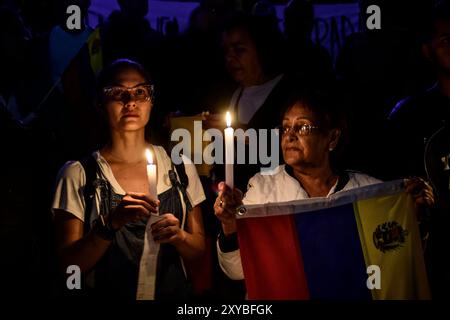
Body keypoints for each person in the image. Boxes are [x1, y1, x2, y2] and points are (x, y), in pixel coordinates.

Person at [213, 86, 435, 281]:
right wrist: (230, 224)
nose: (289, 136)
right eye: (286, 128)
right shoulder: (263, 189)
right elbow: (237, 270)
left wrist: (413, 216)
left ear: (332, 138)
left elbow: (397, 263)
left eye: (303, 127)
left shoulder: (367, 191)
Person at [52, 59, 206, 299]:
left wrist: (180, 237)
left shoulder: (180, 168)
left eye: (140, 92)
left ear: (151, 101)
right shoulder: (79, 174)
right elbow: (69, 268)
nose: (130, 101)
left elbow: (198, 252)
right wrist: (110, 224)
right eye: (117, 93)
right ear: (100, 104)